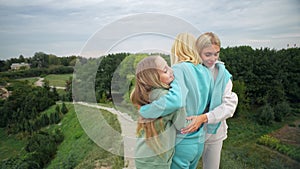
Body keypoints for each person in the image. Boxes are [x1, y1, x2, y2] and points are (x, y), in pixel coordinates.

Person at [139, 33, 213, 169]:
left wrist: (146, 110)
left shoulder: (178, 69)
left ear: (177, 49)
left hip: (182, 139)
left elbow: (176, 99)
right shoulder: (206, 72)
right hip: (198, 141)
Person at [181, 32, 238, 169]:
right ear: (198, 52)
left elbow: (229, 105)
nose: (213, 58)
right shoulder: (188, 69)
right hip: (189, 131)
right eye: (208, 54)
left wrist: (204, 117)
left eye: (216, 53)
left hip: (214, 132)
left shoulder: (222, 75)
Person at [131, 55, 186, 169]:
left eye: (169, 66)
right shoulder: (168, 98)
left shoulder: (147, 95)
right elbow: (181, 125)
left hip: (142, 155)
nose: (171, 71)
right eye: (165, 71)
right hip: (157, 160)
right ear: (153, 79)